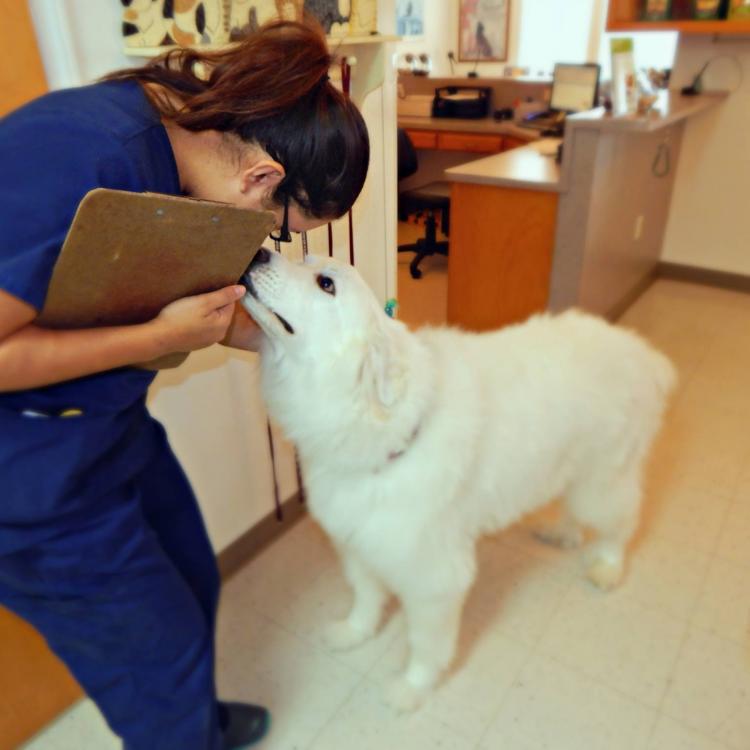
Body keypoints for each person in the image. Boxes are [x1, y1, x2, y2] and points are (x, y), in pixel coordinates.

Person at [0, 18, 369, 750]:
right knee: (156, 664)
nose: (266, 245)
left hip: (109, 429)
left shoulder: (185, 150)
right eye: (282, 230)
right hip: (31, 476)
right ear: (261, 178)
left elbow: (203, 311)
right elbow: (168, 326)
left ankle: (195, 722)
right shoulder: (88, 155)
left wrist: (340, 352)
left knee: (192, 583)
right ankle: (180, 729)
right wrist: (158, 340)